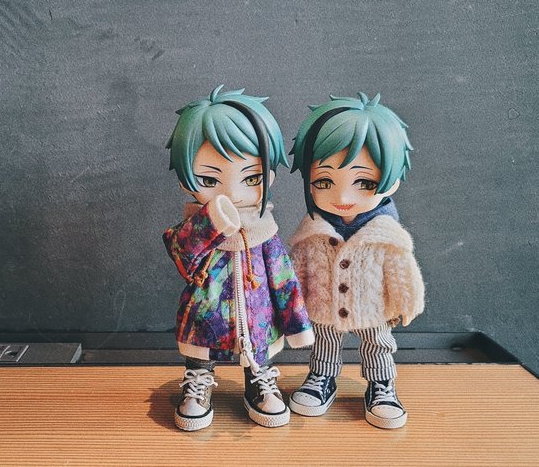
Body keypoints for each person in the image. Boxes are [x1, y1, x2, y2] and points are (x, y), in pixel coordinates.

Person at [163, 85, 314, 431]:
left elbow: (284, 280)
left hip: (258, 317)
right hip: (206, 311)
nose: (231, 192)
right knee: (200, 352)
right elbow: (181, 255)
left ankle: (259, 382)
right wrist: (211, 222)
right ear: (186, 179)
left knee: (259, 351)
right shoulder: (196, 227)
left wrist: (297, 325)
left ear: (269, 175)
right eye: (208, 178)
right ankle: (198, 382)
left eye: (252, 177)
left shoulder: (265, 234)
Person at [287, 92, 425, 429]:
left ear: (392, 178)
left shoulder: (387, 236)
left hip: (373, 308)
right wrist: (291, 304)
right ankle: (322, 378)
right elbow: (296, 272)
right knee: (324, 343)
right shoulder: (310, 232)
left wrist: (408, 303)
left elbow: (402, 273)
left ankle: (381, 385)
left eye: (364, 182)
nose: (343, 197)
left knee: (378, 344)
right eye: (324, 181)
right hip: (323, 307)